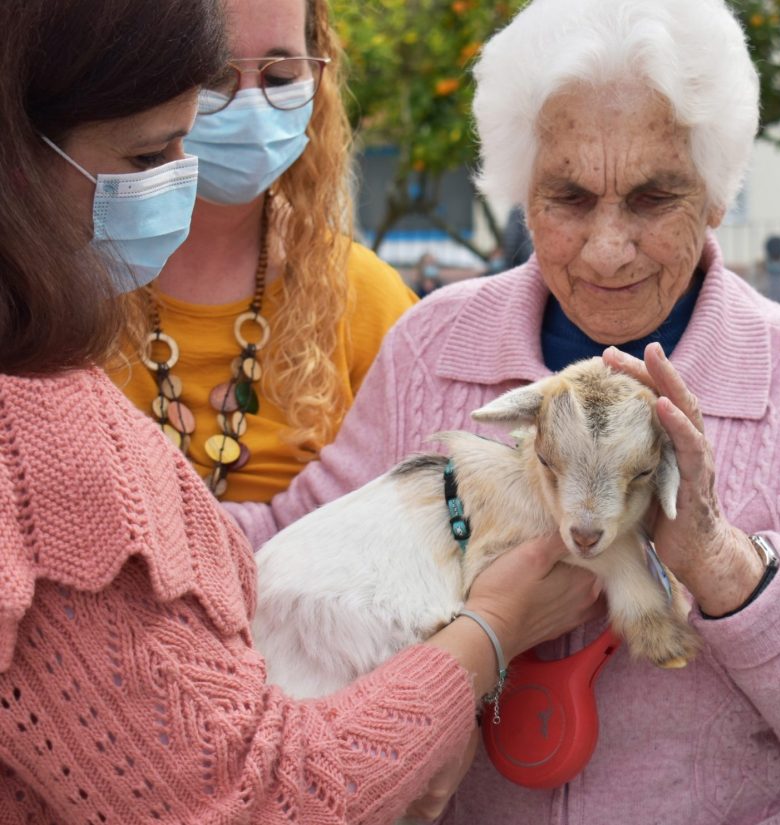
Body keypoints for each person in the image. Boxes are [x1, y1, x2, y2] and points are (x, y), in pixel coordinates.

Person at [225, 1, 780, 822]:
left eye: (653, 199)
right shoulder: (435, 347)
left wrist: (720, 561)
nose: (608, 248)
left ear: (715, 197)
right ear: (520, 195)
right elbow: (293, 544)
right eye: (567, 197)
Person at [0, 1, 600, 821]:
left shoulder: (376, 305)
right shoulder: (45, 441)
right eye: (152, 149)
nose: (188, 169)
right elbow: (259, 795)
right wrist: (488, 631)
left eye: (278, 76)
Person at [109, 0, 417, 502]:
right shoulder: (50, 294)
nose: (249, 103)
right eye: (212, 77)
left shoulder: (371, 300)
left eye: (280, 78)